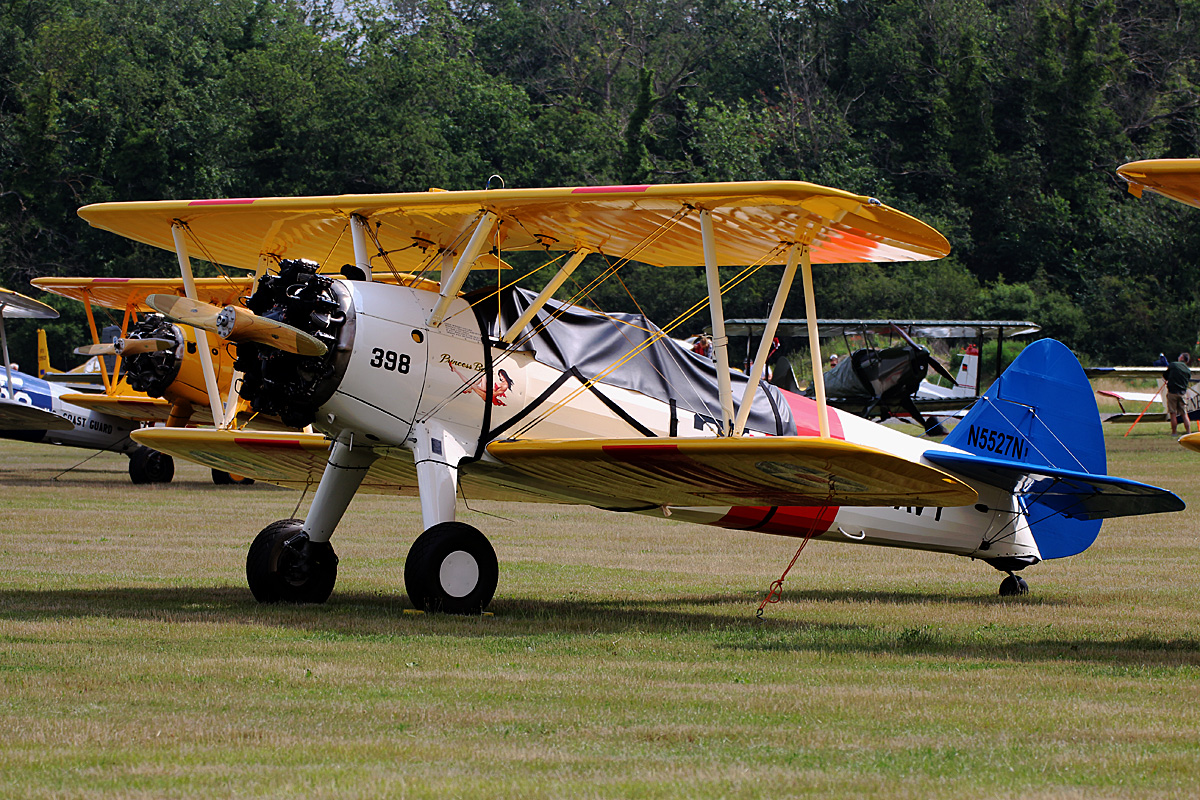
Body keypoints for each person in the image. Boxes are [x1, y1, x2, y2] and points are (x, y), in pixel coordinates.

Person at [1164, 352, 1192, 435]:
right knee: (1184, 414)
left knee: (1173, 413)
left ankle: (1174, 432)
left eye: (1180, 356)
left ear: (1182, 358)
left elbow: (1165, 375)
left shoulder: (1174, 365)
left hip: (1172, 392)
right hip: (1182, 393)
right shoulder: (1188, 370)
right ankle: (1188, 432)